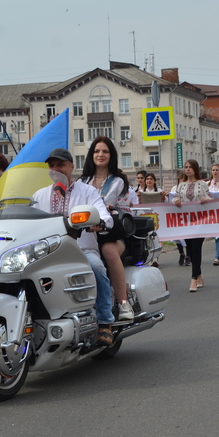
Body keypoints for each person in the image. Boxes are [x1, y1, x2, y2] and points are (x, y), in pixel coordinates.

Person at [33, 148, 116, 345]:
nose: (56, 169)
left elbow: (105, 217)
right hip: (48, 253)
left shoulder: (87, 191)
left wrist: (101, 223)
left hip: (81, 251)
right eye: (52, 166)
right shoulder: (39, 195)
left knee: (96, 267)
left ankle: (105, 322)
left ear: (72, 167)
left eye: (60, 165)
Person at [80, 136, 133, 322]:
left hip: (111, 235)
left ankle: (123, 303)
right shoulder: (82, 181)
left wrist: (114, 212)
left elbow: (127, 214)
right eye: (96, 151)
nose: (100, 155)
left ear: (111, 155)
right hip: (84, 237)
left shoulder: (119, 182)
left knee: (109, 251)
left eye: (105, 151)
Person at [173, 159, 211, 292]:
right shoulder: (181, 185)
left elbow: (212, 199)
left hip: (200, 222)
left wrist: (206, 199)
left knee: (196, 248)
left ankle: (193, 279)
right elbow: (175, 198)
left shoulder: (202, 184)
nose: (188, 169)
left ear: (195, 169)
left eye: (190, 167)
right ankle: (199, 274)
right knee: (190, 248)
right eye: (186, 167)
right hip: (187, 223)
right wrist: (176, 201)